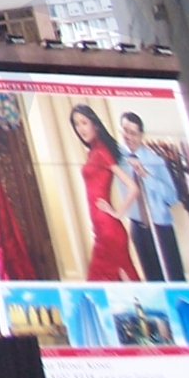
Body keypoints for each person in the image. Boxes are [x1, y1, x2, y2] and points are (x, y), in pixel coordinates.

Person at [69, 103, 140, 281]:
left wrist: (116, 213)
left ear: (95, 124)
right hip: (101, 231)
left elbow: (133, 187)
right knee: (118, 282)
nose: (80, 129)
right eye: (76, 124)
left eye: (84, 123)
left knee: (107, 282)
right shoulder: (93, 152)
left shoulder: (101, 152)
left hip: (109, 231)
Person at [119, 110, 186, 280]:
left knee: (173, 276)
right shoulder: (118, 158)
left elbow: (172, 197)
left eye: (133, 133)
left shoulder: (156, 160)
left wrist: (146, 175)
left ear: (141, 135)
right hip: (137, 225)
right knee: (152, 277)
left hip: (160, 224)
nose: (129, 137)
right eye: (125, 131)